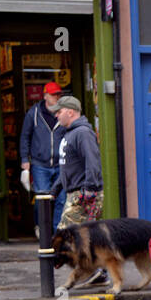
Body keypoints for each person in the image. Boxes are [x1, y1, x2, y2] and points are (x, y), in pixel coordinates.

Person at [20, 81, 67, 232]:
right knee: (42, 201)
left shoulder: (64, 113)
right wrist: (25, 160)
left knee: (61, 200)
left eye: (59, 94)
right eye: (54, 95)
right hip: (40, 164)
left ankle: (56, 233)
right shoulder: (33, 113)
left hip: (61, 163)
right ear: (45, 96)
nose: (57, 97)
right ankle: (42, 229)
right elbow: (25, 137)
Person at [54, 95, 103, 229]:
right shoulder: (70, 133)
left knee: (66, 237)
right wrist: (55, 190)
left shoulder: (83, 133)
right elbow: (67, 166)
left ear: (70, 112)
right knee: (80, 240)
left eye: (59, 112)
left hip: (82, 194)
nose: (56, 116)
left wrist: (89, 189)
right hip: (75, 194)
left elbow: (92, 161)